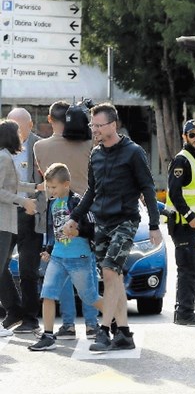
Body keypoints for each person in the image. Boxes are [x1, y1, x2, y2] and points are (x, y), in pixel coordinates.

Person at [64, 103, 163, 352]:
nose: (94, 130)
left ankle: (104, 330)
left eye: (98, 125)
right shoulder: (96, 154)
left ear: (113, 125)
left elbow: (148, 189)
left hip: (125, 221)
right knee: (115, 278)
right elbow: (91, 192)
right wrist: (74, 217)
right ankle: (125, 333)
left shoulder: (133, 152)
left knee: (109, 271)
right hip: (102, 223)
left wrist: (154, 224)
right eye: (92, 125)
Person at [33, 100, 98, 340]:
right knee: (87, 270)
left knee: (63, 270)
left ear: (50, 120)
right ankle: (92, 324)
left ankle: (68, 324)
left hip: (57, 210)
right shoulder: (90, 144)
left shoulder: (40, 147)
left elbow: (47, 175)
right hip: (87, 210)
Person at [27, 163, 104, 351]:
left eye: (53, 187)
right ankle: (47, 335)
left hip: (79, 257)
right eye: (48, 187)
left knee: (89, 296)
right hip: (58, 257)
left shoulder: (77, 202)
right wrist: (49, 249)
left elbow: (92, 228)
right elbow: (53, 231)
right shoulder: (53, 204)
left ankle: (117, 321)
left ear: (66, 184)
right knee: (47, 294)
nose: (50, 191)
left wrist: (78, 233)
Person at [166, 119, 195, 326]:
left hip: (191, 224)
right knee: (187, 270)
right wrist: (190, 216)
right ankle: (184, 313)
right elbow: (175, 194)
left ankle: (186, 311)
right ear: (184, 137)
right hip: (182, 223)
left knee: (191, 269)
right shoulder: (182, 160)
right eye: (191, 135)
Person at [3, 108, 46, 335]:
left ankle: (30, 317)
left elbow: (48, 182)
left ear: (30, 126)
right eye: (13, 127)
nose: (17, 133)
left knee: (28, 269)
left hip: (30, 214)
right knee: (1, 265)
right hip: (6, 213)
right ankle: (13, 309)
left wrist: (37, 203)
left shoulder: (40, 146)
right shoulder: (3, 149)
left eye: (20, 128)